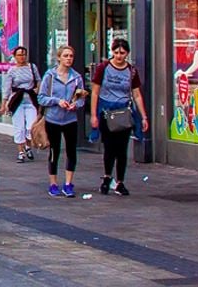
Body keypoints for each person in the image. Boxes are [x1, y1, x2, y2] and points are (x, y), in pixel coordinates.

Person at [90, 38, 149, 196]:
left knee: (122, 149)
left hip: (123, 112)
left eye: (122, 53)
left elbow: (136, 94)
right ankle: (107, 177)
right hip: (106, 111)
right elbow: (95, 91)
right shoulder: (103, 68)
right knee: (109, 147)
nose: (119, 56)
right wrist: (94, 114)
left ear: (127, 53)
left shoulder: (131, 71)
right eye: (116, 52)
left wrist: (143, 116)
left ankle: (121, 181)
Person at [39, 45, 88, 197]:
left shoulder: (77, 77)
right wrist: (57, 101)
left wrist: (75, 105)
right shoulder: (50, 76)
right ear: (59, 58)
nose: (68, 59)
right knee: (54, 150)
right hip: (53, 118)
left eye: (71, 56)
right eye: (65, 56)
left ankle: (68, 183)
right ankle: (53, 183)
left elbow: (81, 98)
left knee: (71, 151)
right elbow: (41, 97)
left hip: (70, 119)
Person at [3, 46, 41, 162]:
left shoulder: (32, 67)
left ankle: (28, 146)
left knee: (30, 126)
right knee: (19, 127)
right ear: (15, 57)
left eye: (24, 54)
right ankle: (20, 151)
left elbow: (39, 80)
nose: (22, 57)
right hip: (17, 100)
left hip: (30, 100)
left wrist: (37, 90)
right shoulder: (12, 71)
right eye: (19, 55)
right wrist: (4, 103)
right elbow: (7, 87)